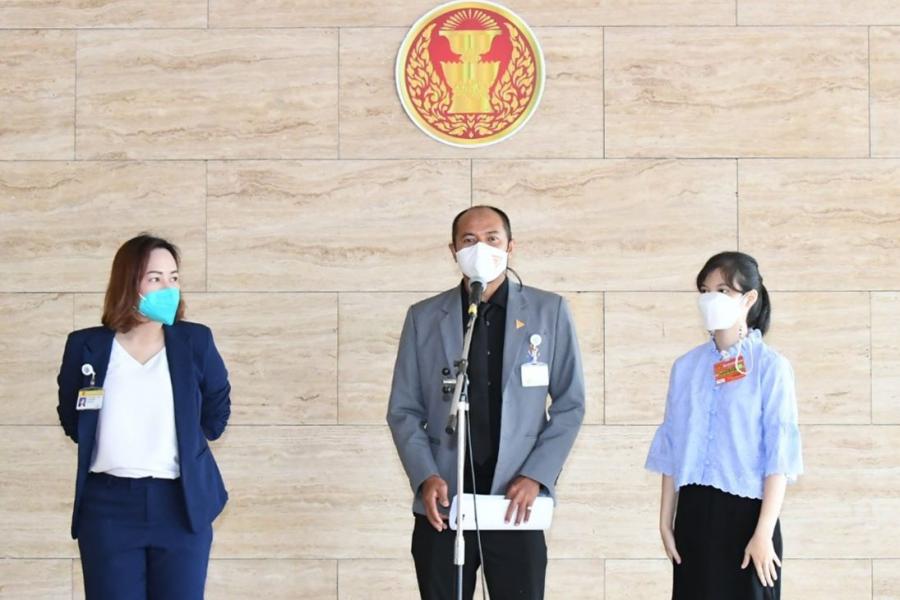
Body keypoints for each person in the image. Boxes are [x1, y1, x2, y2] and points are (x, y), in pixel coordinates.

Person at [387, 205, 585, 600]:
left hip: (515, 501)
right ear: (453, 251)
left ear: (510, 246)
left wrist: (536, 475)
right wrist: (426, 476)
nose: (481, 248)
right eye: (469, 240)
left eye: (492, 238)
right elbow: (403, 410)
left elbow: (570, 404)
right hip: (445, 503)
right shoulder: (424, 317)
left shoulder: (549, 311)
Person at [56, 234, 231, 600]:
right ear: (128, 283)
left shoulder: (195, 342)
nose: (168, 288)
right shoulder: (86, 346)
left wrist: (184, 437)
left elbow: (215, 414)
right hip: (108, 509)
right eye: (155, 278)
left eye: (174, 278)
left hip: (180, 505)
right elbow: (74, 420)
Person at [646, 251, 803, 599]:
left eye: (723, 290)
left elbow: (779, 456)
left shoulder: (771, 367)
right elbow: (672, 444)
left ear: (749, 299)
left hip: (748, 517)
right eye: (705, 290)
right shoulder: (685, 368)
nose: (710, 299)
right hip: (693, 515)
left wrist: (763, 532)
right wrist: (665, 520)